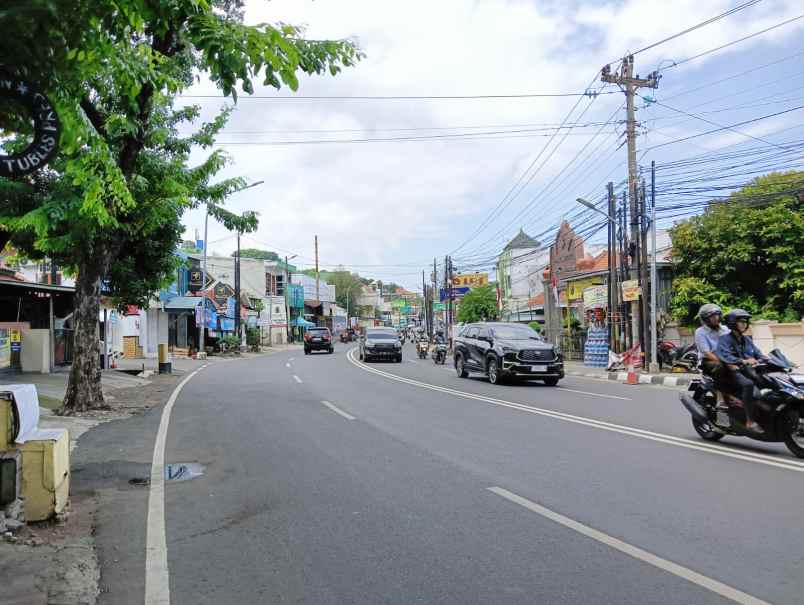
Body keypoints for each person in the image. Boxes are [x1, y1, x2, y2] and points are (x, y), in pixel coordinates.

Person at [716, 309, 768, 434]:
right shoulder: (725, 339)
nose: (744, 324)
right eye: (741, 321)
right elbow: (725, 356)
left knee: (767, 382)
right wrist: (743, 361)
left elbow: (758, 354)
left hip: (748, 371)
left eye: (745, 322)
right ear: (733, 323)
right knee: (748, 385)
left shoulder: (747, 340)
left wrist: (767, 358)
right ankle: (750, 422)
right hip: (733, 372)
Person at [694, 304, 729, 378]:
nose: (716, 318)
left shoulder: (725, 329)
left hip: (727, 357)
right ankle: (719, 388)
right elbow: (707, 353)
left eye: (717, 315)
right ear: (705, 319)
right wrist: (725, 361)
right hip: (709, 360)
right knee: (721, 367)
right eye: (712, 316)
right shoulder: (700, 332)